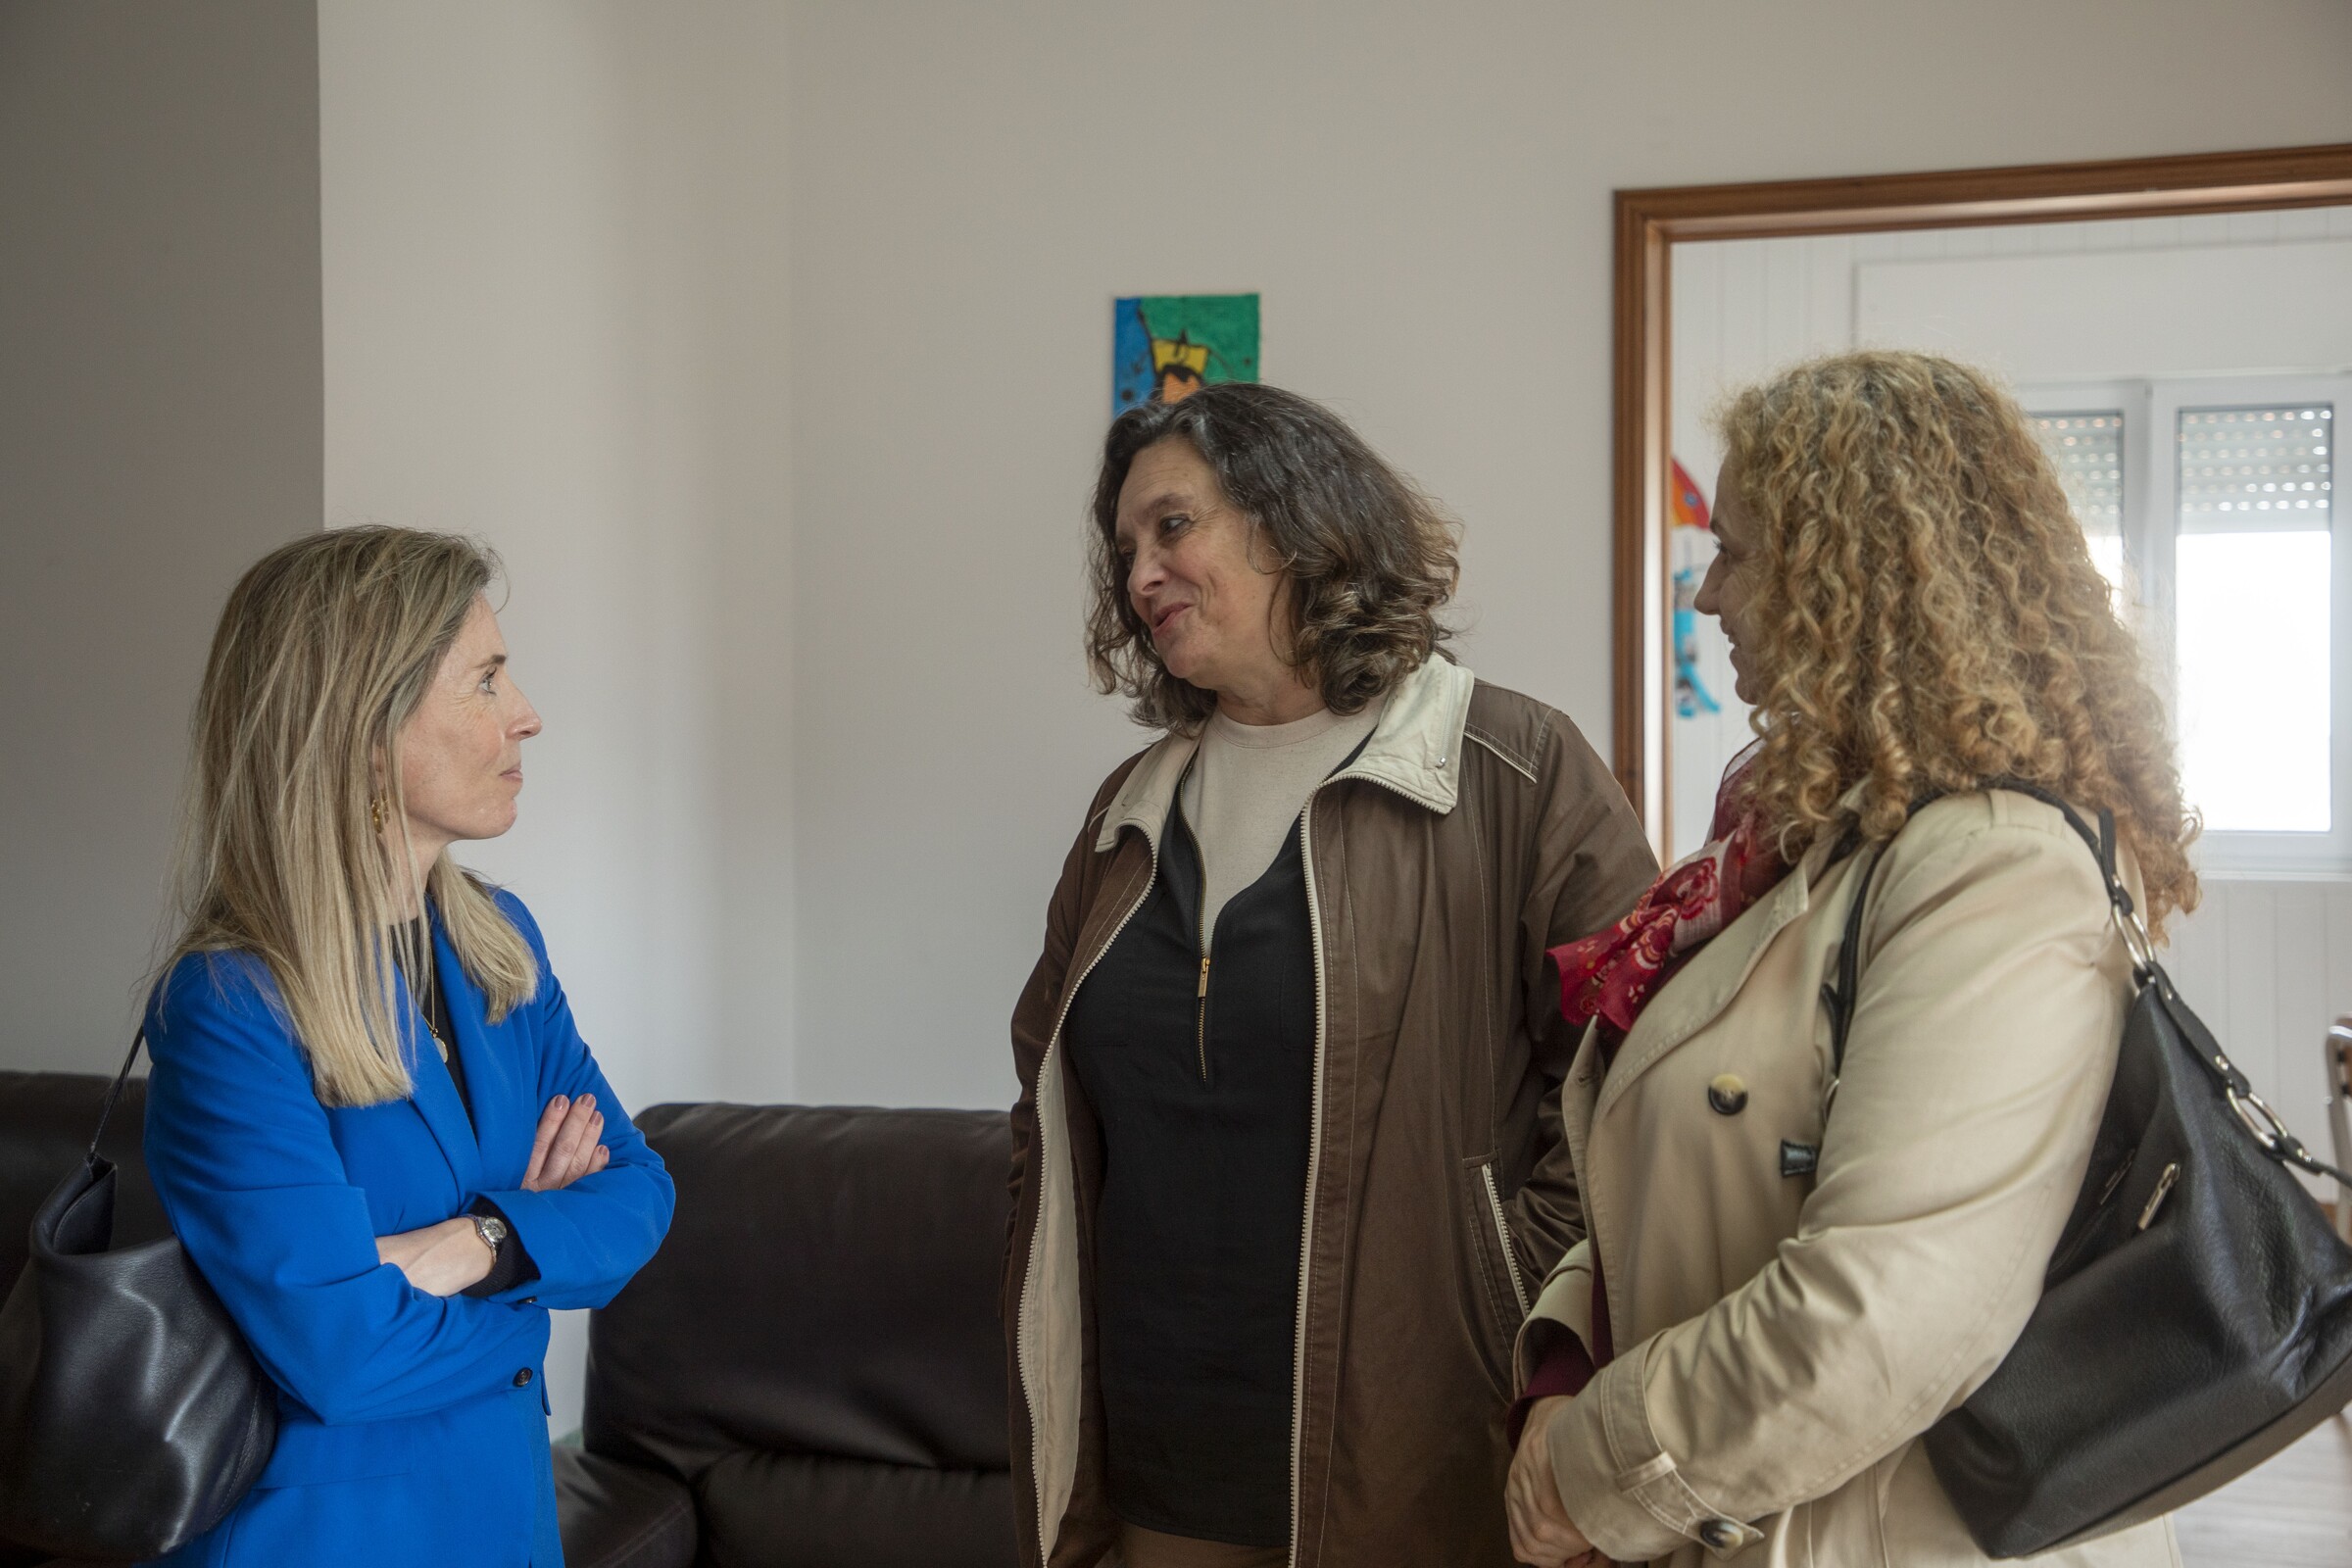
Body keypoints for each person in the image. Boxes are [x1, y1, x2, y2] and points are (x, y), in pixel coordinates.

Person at [1503, 351, 2196, 1567]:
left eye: (1736, 556)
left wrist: (1589, 1464)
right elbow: (1662, 1163)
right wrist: (1562, 1366)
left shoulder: (1999, 870)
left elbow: (1887, 1313)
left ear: (1852, 577)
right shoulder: (1805, 842)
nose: (1707, 597)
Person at [1004, 383, 1656, 1568]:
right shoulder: (1126, 814)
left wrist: (1499, 1303)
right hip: (1160, 1453)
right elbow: (1043, 1106)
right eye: (1125, 548)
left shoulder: (1515, 770)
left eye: (1172, 525)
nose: (1141, 574)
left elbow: (1632, 1094)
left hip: (1417, 1455)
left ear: (1296, 520)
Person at [141, 527, 675, 1566]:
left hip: (505, 1518)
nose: (527, 714)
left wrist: (473, 1243)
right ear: (364, 729)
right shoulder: (229, 1006)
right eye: (486, 680)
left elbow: (640, 1193)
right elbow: (345, 1356)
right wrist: (533, 1268)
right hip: (325, 1540)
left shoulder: (499, 943)